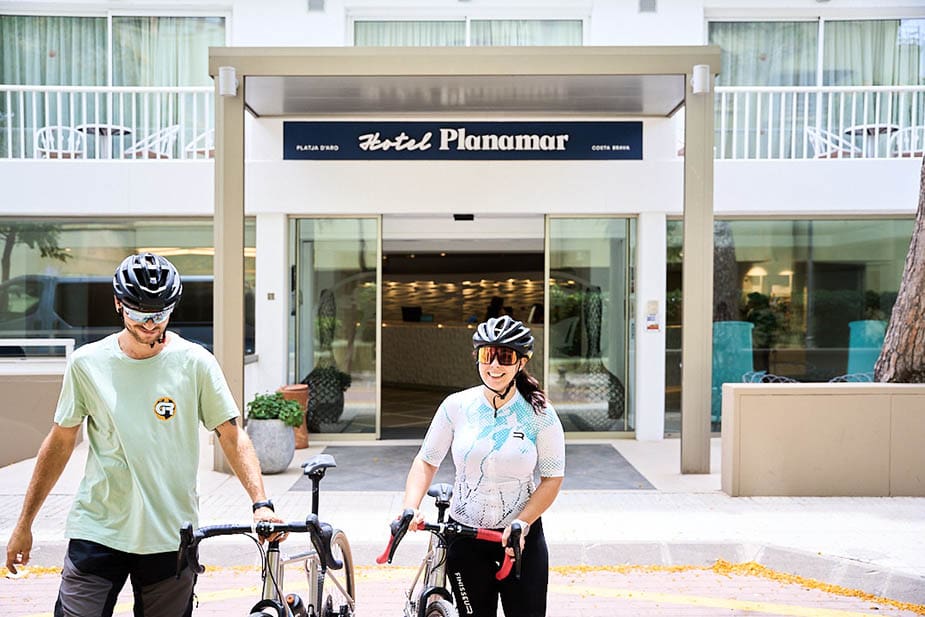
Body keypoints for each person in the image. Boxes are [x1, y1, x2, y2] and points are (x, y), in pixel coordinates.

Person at [4, 252, 282, 617]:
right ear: (118, 304)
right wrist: (24, 523)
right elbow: (60, 441)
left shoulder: (195, 363)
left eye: (159, 314)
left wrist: (261, 503)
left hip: (170, 535)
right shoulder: (87, 364)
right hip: (98, 528)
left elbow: (231, 435)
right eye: (138, 314)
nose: (149, 324)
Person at [398, 315, 565, 617]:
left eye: (505, 356)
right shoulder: (456, 406)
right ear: (477, 357)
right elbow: (426, 461)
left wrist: (523, 522)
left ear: (521, 362)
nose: (495, 366)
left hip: (520, 538)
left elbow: (552, 479)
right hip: (466, 538)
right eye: (488, 355)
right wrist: (411, 506)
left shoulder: (540, 413)